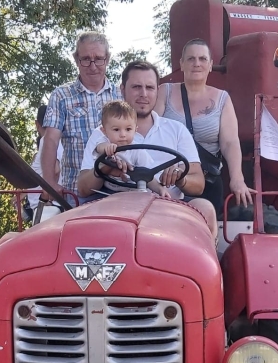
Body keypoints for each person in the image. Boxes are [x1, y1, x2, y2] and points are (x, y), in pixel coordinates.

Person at [78, 60, 218, 240]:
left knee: (205, 208)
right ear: (122, 89)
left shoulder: (176, 130)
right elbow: (83, 188)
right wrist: (105, 167)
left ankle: (201, 267)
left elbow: (198, 184)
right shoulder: (102, 134)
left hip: (169, 207)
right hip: (116, 206)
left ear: (157, 91)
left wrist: (179, 178)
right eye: (136, 87)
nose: (143, 94)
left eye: (149, 87)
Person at [155, 38, 252, 215]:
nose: (196, 64)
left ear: (210, 65)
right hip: (166, 181)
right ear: (181, 64)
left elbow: (230, 142)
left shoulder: (222, 98)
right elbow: (151, 130)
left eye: (202, 59)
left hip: (206, 183)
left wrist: (237, 179)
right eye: (190, 59)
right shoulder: (165, 92)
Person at [41, 31, 121, 199]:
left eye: (98, 59)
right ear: (76, 59)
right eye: (86, 59)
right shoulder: (61, 95)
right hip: (77, 194)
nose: (93, 66)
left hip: (117, 192)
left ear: (107, 59)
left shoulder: (120, 95)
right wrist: (49, 183)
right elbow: (51, 139)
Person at [91, 100, 171, 198]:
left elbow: (148, 176)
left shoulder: (137, 151)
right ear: (104, 131)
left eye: (128, 129)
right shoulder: (105, 141)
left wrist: (160, 189)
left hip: (134, 193)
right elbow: (99, 147)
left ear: (135, 130)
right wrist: (107, 148)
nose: (123, 135)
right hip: (108, 192)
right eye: (116, 129)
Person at [27, 104, 63, 214]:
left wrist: (49, 196)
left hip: (45, 203)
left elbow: (55, 170)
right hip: (48, 203)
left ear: (37, 124)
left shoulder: (46, 140)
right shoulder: (58, 142)